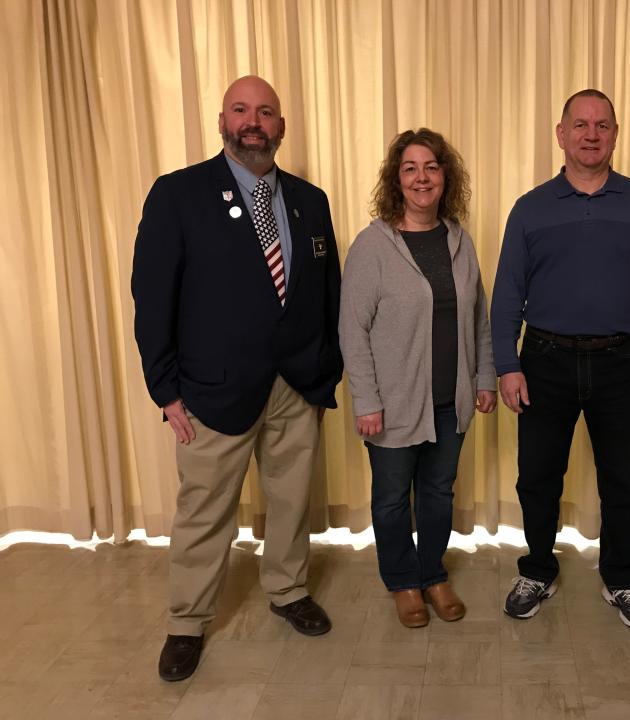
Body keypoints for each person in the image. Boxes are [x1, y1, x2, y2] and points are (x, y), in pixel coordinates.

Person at [131, 76, 342, 681]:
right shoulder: (178, 195)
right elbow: (152, 297)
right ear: (221, 120)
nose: (254, 121)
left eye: (266, 112)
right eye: (242, 110)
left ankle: (288, 589)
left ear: (282, 125)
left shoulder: (310, 200)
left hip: (296, 386)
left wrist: (325, 372)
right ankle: (187, 623)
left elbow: (326, 295)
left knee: (291, 500)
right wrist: (165, 389)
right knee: (203, 510)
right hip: (210, 388)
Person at [490, 90, 630, 630]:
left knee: (623, 481)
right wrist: (506, 363)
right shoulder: (529, 208)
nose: (591, 134)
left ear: (615, 134)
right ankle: (536, 568)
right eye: (580, 124)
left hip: (623, 362)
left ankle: (621, 576)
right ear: (561, 133)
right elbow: (507, 292)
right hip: (544, 361)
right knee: (537, 478)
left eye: (602, 125)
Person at [339, 128, 497, 628]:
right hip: (392, 406)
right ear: (396, 179)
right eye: (410, 168)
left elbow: (478, 318)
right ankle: (403, 581)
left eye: (430, 167)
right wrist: (366, 400)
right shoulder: (372, 246)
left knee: (438, 495)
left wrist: (485, 376)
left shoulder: (458, 240)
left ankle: (431, 573)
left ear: (444, 176)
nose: (421, 177)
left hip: (450, 402)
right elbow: (352, 329)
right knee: (390, 500)